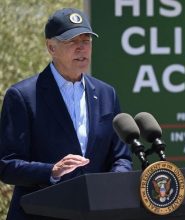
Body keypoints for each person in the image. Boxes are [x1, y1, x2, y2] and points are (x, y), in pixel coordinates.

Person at [0, 8, 132, 219]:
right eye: (72, 41)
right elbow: (7, 165)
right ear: (51, 47)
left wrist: (112, 184)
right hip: (40, 213)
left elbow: (121, 157)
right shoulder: (22, 96)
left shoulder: (107, 94)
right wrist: (52, 171)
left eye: (86, 40)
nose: (82, 48)